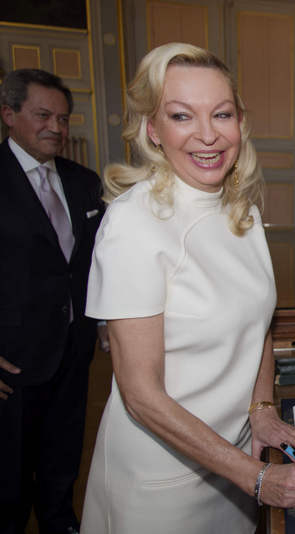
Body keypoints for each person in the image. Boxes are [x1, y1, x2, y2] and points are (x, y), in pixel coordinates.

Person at [80, 43, 295, 533]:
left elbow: (259, 324)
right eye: (181, 116)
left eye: (222, 114)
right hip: (162, 481)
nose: (208, 135)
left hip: (237, 459)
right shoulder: (134, 224)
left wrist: (262, 409)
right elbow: (141, 395)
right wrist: (257, 478)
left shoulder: (242, 211)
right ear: (153, 129)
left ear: (240, 122)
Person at [0, 68, 104, 534]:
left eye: (63, 119)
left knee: (63, 459)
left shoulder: (84, 182)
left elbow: (96, 262)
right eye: (43, 116)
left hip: (73, 353)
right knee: (9, 477)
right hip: (12, 364)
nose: (56, 128)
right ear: (9, 114)